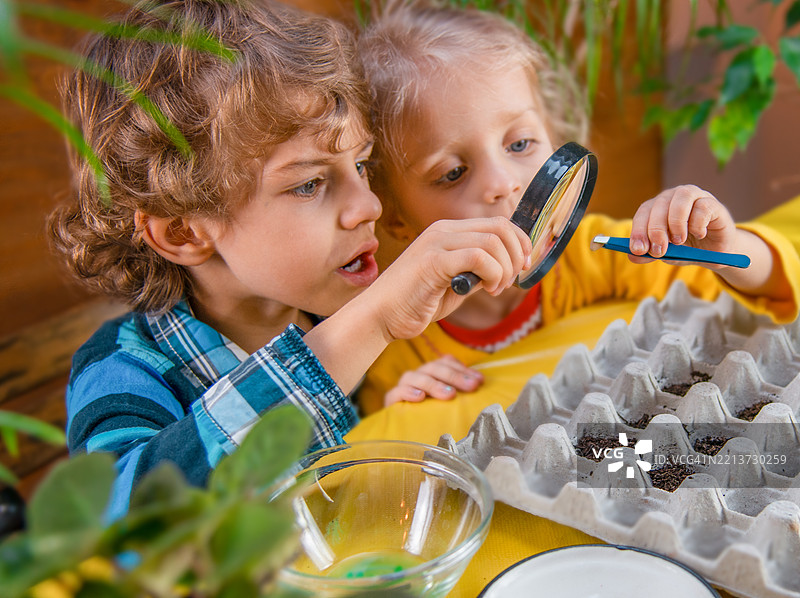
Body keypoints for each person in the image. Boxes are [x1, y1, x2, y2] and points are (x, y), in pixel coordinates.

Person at [48, 0, 531, 519]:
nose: (368, 205)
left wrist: (385, 418)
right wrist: (370, 324)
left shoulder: (326, 312)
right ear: (185, 232)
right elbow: (126, 523)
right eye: (309, 184)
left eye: (362, 165)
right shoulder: (121, 370)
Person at [355, 1, 800, 413]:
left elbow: (745, 287)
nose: (504, 183)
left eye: (520, 143)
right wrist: (406, 399)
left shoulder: (592, 252)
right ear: (396, 218)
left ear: (551, 131)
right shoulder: (395, 334)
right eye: (453, 172)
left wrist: (725, 247)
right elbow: (382, 436)